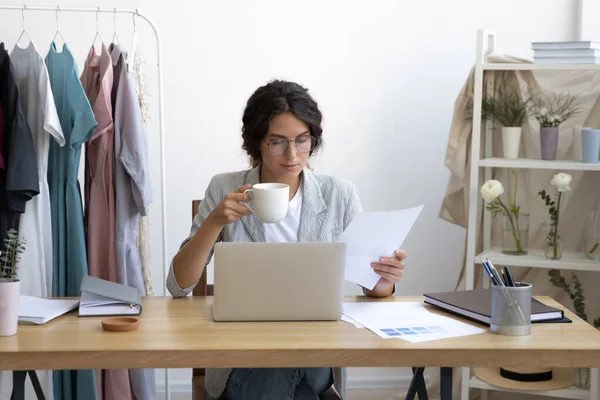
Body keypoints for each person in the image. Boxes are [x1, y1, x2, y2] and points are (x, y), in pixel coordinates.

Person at [166, 79, 407, 400]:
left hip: (317, 353)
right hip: (243, 356)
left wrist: (385, 278)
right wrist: (213, 223)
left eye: (302, 140)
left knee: (289, 366)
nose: (292, 155)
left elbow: (373, 287)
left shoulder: (339, 194)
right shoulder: (225, 187)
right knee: (290, 379)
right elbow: (178, 285)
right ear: (256, 142)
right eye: (277, 142)